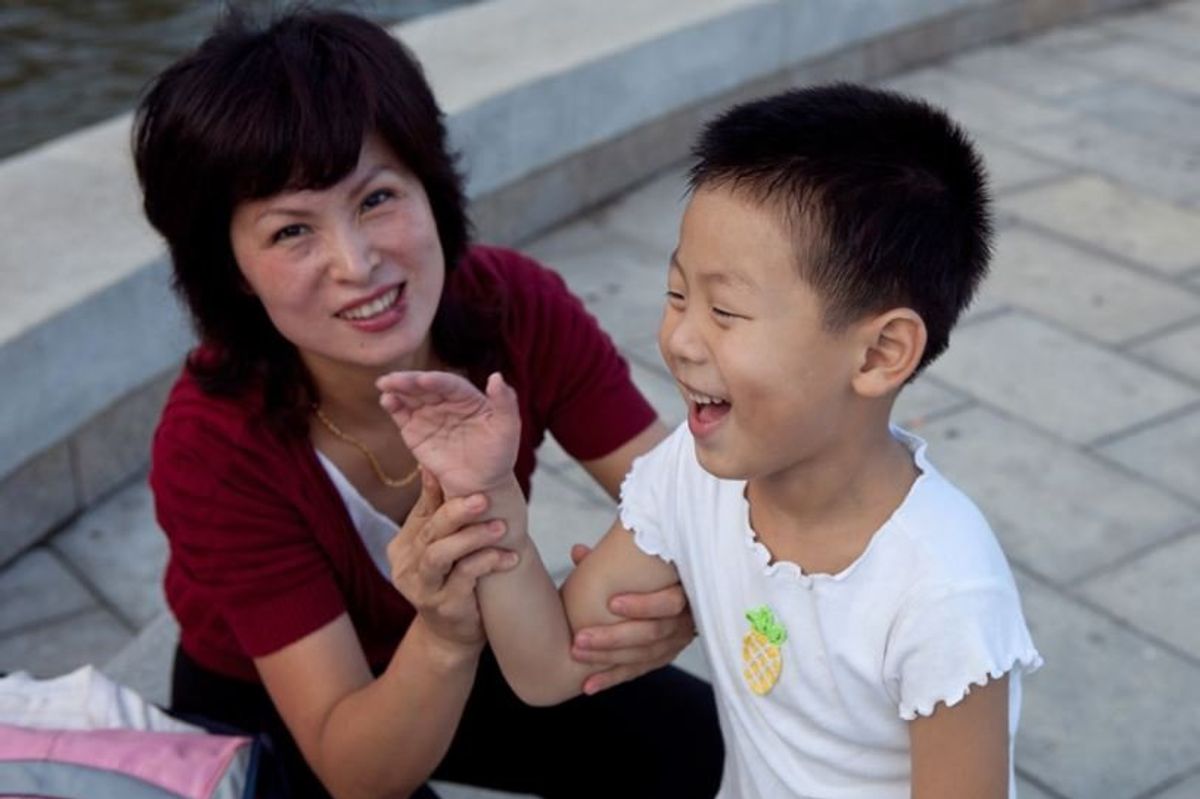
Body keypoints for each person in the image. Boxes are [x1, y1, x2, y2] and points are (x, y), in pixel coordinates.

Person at [378, 84, 1043, 798]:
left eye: (725, 310)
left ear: (881, 354)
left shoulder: (944, 592)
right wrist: (491, 489)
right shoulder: (693, 480)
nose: (680, 338)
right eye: (676, 294)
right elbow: (549, 669)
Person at [134, 8, 722, 799]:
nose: (357, 262)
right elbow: (355, 768)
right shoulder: (213, 443)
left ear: (430, 184)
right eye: (290, 232)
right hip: (274, 701)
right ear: (231, 267)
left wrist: (683, 600)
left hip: (472, 646)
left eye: (376, 197)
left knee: (698, 744)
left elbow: (689, 490)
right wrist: (445, 632)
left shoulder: (514, 307)